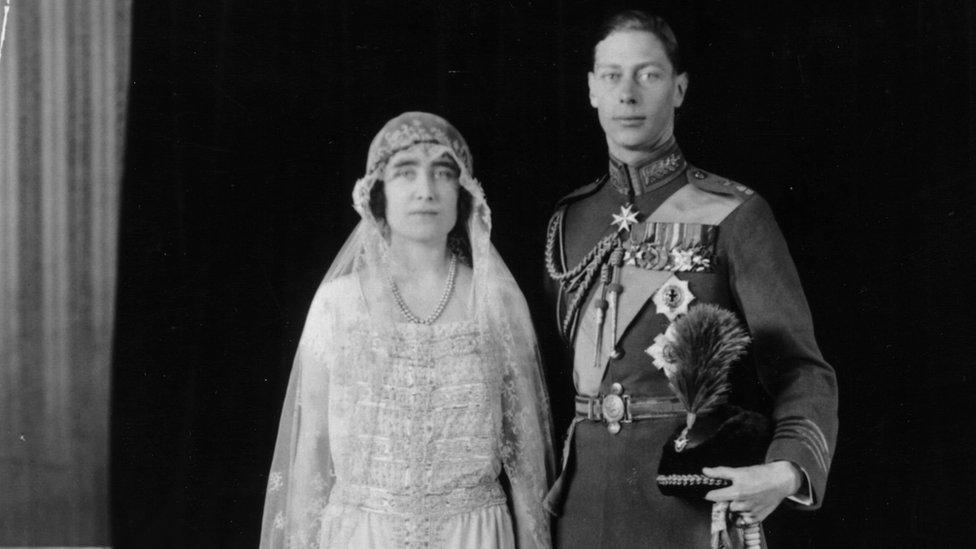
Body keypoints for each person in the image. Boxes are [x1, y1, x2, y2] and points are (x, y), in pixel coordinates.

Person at [543, 10, 838, 547]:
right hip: (580, 511)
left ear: (679, 88)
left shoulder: (734, 213)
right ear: (591, 89)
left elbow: (799, 367)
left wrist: (788, 469)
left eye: (648, 74)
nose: (628, 94)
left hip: (687, 508)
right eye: (612, 76)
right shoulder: (570, 221)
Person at [260, 112, 554, 548]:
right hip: (362, 536)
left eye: (443, 173)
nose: (425, 191)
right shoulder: (337, 306)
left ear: (463, 192)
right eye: (405, 172)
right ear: (378, 193)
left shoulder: (496, 302)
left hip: (472, 536)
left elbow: (528, 460)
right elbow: (311, 460)